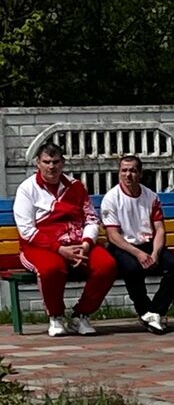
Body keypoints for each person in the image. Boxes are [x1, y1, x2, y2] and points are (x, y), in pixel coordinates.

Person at [14, 143, 117, 337]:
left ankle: (81, 315)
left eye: (55, 162)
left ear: (63, 163)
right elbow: (27, 230)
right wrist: (60, 249)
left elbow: (91, 219)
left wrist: (86, 245)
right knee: (51, 269)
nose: (51, 167)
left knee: (107, 265)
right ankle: (56, 317)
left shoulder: (76, 186)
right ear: (38, 163)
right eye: (46, 162)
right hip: (40, 246)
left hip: (78, 243)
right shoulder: (27, 189)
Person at [100, 154, 174, 334]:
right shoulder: (111, 198)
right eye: (124, 171)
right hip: (123, 245)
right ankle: (145, 310)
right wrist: (138, 254)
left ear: (140, 174)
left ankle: (155, 312)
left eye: (132, 171)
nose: (128, 175)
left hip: (147, 243)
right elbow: (113, 235)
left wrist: (154, 253)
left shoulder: (151, 196)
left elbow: (160, 229)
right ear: (118, 173)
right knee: (132, 268)